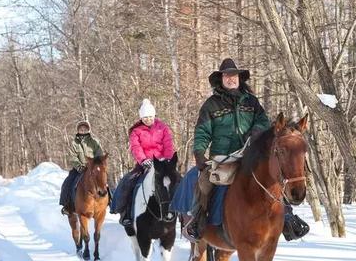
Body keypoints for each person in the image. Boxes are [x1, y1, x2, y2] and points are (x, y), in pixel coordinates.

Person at [179, 58, 309, 242]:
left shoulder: (252, 102)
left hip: (251, 155)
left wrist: (254, 134)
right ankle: (198, 220)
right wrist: (200, 154)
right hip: (223, 158)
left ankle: (286, 218)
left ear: (239, 78)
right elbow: (202, 132)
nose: (231, 79)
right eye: (227, 76)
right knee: (204, 181)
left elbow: (264, 123)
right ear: (221, 79)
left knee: (273, 176)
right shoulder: (211, 105)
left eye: (234, 75)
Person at [112, 99, 175, 227]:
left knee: (176, 181)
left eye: (150, 117)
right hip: (144, 164)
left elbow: (168, 144)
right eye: (145, 118)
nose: (148, 120)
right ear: (141, 118)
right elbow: (136, 147)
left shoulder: (163, 128)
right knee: (128, 181)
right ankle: (126, 213)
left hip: (162, 163)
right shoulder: (136, 131)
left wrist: (167, 159)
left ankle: (180, 212)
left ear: (154, 115)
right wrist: (143, 160)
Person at [60, 120, 104, 215]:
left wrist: (95, 164)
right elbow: (73, 157)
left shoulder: (94, 141)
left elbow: (99, 153)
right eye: (81, 129)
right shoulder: (74, 143)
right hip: (79, 169)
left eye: (85, 129)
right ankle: (67, 205)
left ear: (88, 130)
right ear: (78, 131)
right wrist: (79, 166)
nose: (83, 131)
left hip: (93, 168)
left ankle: (110, 201)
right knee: (68, 182)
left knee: (104, 180)